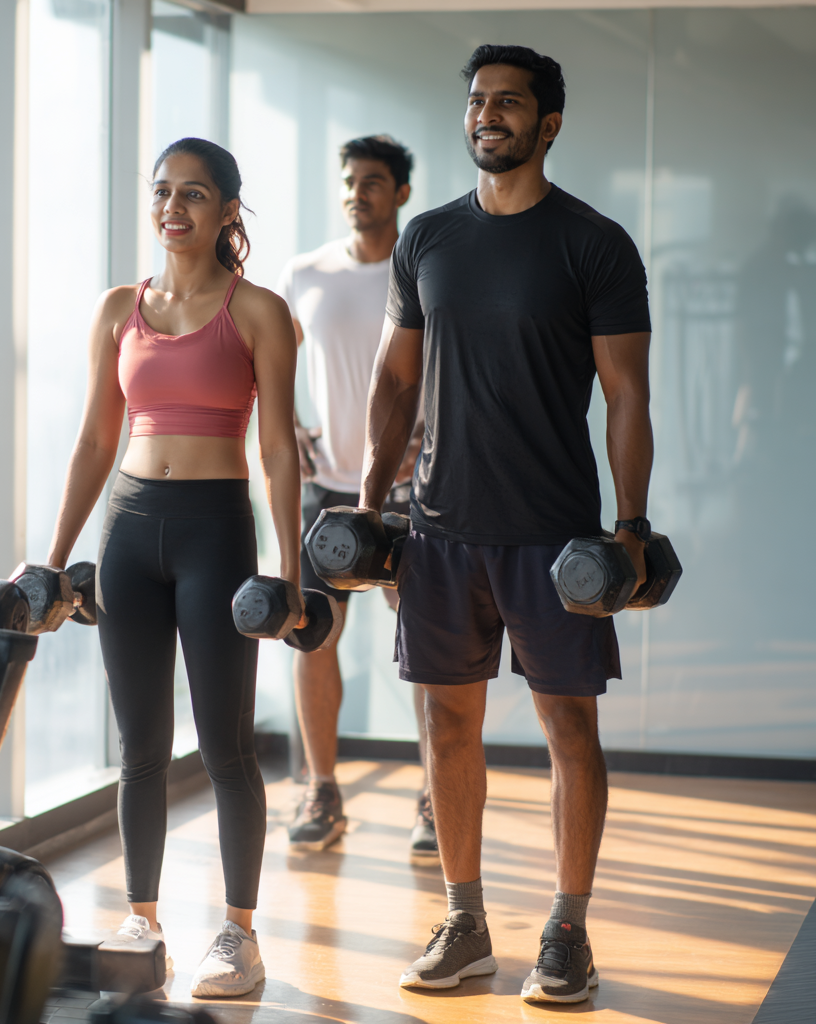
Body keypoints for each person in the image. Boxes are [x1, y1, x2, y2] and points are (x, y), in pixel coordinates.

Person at [358, 46, 653, 1004]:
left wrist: (632, 526)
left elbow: (626, 394)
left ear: (549, 124)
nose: (488, 115)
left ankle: (567, 928)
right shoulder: (429, 239)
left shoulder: (594, 244)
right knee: (447, 723)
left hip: (554, 534)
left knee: (569, 727)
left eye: (510, 104)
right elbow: (396, 380)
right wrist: (371, 507)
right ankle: (467, 917)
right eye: (478, 102)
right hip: (441, 529)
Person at [44, 137, 301, 999]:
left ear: (230, 209)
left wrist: (291, 571)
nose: (173, 207)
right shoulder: (120, 306)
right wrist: (51, 563)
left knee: (226, 747)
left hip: (215, 533)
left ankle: (238, 934)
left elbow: (276, 449)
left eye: (194, 193)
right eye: (162, 192)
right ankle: (141, 919)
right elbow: (92, 440)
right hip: (127, 532)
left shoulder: (258, 310)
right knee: (141, 748)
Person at [275, 136, 434, 862]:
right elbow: (267, 367)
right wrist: (287, 428)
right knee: (311, 635)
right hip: (328, 487)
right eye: (349, 181)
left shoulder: (426, 271)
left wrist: (432, 438)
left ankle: (436, 794)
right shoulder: (305, 273)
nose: (357, 191)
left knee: (430, 647)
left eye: (373, 181)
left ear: (401, 192)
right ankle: (323, 788)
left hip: (412, 489)